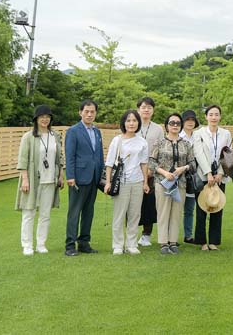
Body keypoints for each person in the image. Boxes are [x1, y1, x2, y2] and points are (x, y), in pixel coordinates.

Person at [15, 105, 65, 256]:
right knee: (29, 213)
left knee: (45, 215)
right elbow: (23, 160)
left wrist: (60, 175)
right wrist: (25, 180)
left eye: (48, 117)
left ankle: (41, 244)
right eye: (42, 117)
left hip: (50, 181)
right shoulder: (28, 137)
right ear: (36, 119)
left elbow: (59, 158)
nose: (45, 119)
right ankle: (27, 245)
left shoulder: (55, 136)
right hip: (32, 180)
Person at [149, 113, 195, 254]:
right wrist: (164, 172)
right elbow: (151, 162)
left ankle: (173, 242)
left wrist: (183, 168)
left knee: (176, 213)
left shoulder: (186, 144)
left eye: (178, 123)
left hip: (180, 183)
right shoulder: (159, 143)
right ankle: (163, 243)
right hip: (162, 182)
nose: (175, 125)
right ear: (166, 126)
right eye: (172, 123)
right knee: (163, 212)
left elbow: (192, 164)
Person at [105, 109, 150, 255]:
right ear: (124, 123)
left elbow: (144, 163)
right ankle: (118, 245)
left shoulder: (142, 142)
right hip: (121, 182)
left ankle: (131, 244)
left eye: (134, 120)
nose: (131, 123)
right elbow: (109, 163)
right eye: (128, 120)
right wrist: (108, 182)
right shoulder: (117, 140)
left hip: (137, 181)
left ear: (138, 123)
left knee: (134, 215)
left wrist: (145, 182)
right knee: (119, 214)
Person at [64, 100, 104, 256]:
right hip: (78, 178)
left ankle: (84, 243)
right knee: (74, 212)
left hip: (94, 178)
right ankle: (70, 245)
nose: (89, 114)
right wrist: (70, 176)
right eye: (86, 111)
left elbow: (99, 155)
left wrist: (101, 176)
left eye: (92, 111)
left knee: (89, 212)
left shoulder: (97, 132)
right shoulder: (73, 131)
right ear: (80, 112)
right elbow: (70, 155)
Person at [192, 104, 231, 251]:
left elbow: (227, 154)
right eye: (211, 114)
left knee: (217, 208)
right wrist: (208, 173)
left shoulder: (225, 134)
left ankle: (214, 242)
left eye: (216, 114)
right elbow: (198, 153)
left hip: (219, 176)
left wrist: (220, 173)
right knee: (201, 209)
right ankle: (202, 242)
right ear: (206, 117)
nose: (214, 117)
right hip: (203, 175)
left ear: (220, 116)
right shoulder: (199, 133)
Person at [137, 97, 164, 247]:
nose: (146, 110)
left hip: (151, 172)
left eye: (149, 107)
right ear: (138, 109)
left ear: (153, 110)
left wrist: (151, 169)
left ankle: (146, 235)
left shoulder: (158, 129)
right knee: (133, 204)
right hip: (133, 171)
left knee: (149, 204)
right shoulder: (132, 124)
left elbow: (160, 150)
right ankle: (131, 234)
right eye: (143, 107)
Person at [179, 109, 200, 244]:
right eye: (187, 120)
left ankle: (188, 235)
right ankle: (171, 237)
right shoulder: (178, 136)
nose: (190, 122)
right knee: (175, 209)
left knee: (189, 209)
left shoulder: (198, 136)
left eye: (192, 120)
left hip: (194, 176)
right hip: (179, 175)